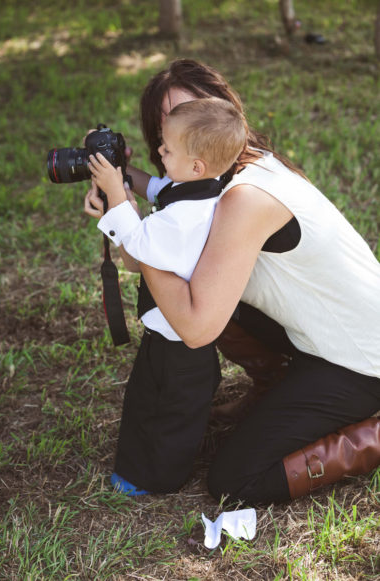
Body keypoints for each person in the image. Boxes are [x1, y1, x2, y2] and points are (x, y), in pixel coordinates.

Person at [85, 59, 380, 505]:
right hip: (316, 338)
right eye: (167, 123)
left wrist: (123, 216)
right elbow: (148, 250)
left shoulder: (243, 197)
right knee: (209, 287)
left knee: (235, 477)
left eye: (194, 109)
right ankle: (273, 385)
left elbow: (195, 326)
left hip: (361, 361)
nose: (183, 124)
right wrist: (124, 187)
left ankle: (372, 435)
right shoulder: (218, 177)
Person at [87, 97, 247, 494]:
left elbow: (139, 245)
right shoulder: (198, 187)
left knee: (171, 410)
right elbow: (157, 188)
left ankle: (159, 477)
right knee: (147, 398)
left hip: (180, 342)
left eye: (167, 149)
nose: (159, 152)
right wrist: (121, 173)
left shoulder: (186, 218)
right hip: (168, 334)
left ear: (196, 166)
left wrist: (116, 197)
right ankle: (139, 463)